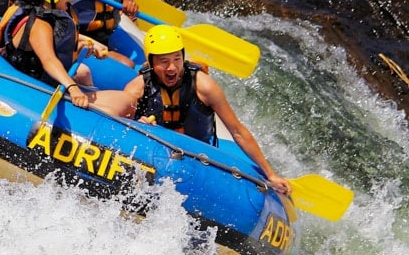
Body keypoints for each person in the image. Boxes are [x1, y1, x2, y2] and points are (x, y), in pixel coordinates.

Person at [124, 25, 292, 194]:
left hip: (199, 158)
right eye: (164, 61)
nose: (172, 67)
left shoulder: (203, 86)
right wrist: (139, 125)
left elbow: (237, 131)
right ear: (151, 62)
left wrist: (271, 174)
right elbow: (121, 129)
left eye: (177, 59)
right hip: (155, 155)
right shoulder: (137, 89)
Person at [0, 0, 133, 118]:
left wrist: (84, 47)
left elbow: (62, 48)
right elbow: (49, 61)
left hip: (50, 86)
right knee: (119, 106)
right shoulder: (38, 24)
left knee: (127, 101)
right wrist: (73, 88)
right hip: (32, 91)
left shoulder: (59, 14)